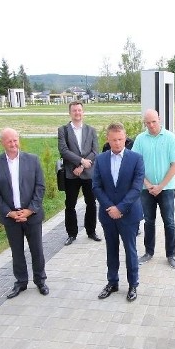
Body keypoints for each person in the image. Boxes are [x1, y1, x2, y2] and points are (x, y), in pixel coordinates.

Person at [0, 128, 48, 299]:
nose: (13, 144)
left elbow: (40, 187)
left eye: (15, 140)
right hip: (11, 217)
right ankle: (21, 282)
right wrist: (9, 212)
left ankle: (40, 280)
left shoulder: (32, 160)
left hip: (32, 214)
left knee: (37, 249)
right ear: (2, 143)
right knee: (16, 251)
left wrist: (30, 210)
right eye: (9, 141)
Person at [91, 122, 145, 302]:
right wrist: (110, 208)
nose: (117, 143)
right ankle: (112, 282)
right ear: (108, 139)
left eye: (120, 139)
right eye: (114, 140)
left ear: (125, 137)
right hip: (108, 215)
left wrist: (120, 208)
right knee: (111, 249)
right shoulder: (101, 159)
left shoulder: (136, 158)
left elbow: (137, 188)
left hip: (128, 214)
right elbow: (97, 186)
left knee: (130, 250)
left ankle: (133, 284)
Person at [134, 109, 175, 268]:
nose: (151, 125)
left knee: (169, 222)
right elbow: (136, 165)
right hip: (146, 189)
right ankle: (149, 252)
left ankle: (171, 254)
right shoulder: (140, 139)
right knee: (148, 221)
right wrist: (147, 184)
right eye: (147, 123)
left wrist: (161, 186)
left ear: (159, 119)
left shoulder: (170, 138)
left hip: (166, 189)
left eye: (153, 121)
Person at [58, 100, 101, 246]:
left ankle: (91, 231)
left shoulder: (91, 130)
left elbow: (95, 151)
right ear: (70, 113)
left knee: (91, 203)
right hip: (72, 174)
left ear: (83, 112)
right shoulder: (63, 130)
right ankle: (71, 233)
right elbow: (64, 150)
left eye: (79, 110)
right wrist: (80, 161)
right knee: (70, 205)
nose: (77, 113)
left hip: (88, 173)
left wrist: (83, 165)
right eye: (74, 110)